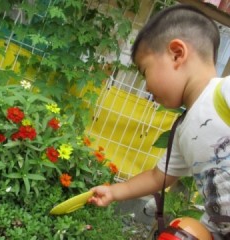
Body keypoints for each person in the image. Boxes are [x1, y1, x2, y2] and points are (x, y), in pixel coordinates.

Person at [88, 4, 230, 239]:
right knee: (182, 232)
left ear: (177, 54)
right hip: (219, 229)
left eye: (145, 71)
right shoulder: (181, 131)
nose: (147, 86)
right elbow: (157, 177)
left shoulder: (223, 93)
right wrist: (113, 192)